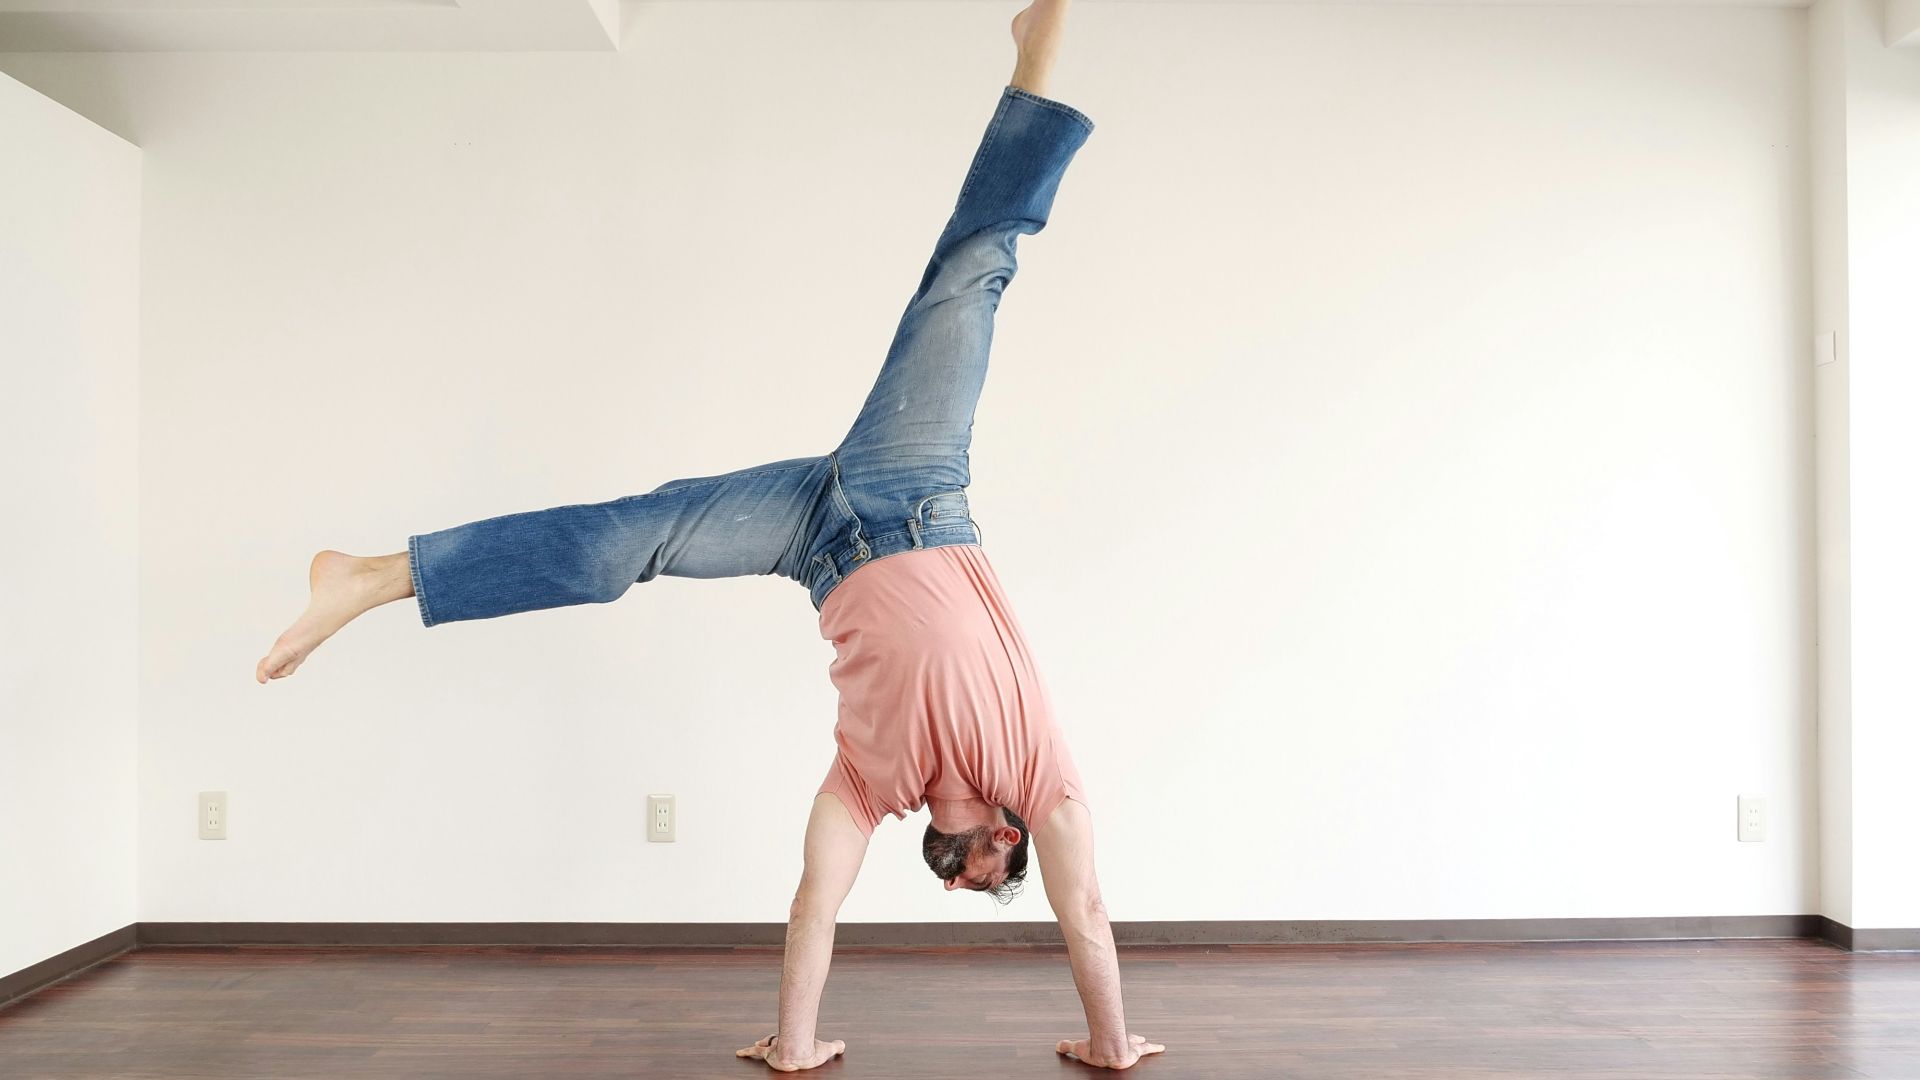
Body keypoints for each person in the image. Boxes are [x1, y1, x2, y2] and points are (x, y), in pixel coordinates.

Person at [255, 0, 1164, 1071]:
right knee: (974, 271)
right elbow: (1088, 907)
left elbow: (815, 905)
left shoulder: (869, 787)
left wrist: (793, 1048)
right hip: (916, 489)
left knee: (614, 553)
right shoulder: (1042, 775)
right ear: (1004, 840)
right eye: (979, 883)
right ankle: (1042, 43)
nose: (957, 886)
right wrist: (1112, 1045)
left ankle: (377, 575)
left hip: (810, 541)